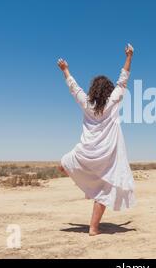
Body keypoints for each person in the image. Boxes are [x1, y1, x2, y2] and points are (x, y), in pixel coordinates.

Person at [57, 45, 135, 236]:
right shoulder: (113, 101)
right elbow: (123, 81)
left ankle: (74, 173)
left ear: (94, 90)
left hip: (87, 151)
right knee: (104, 190)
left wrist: (65, 70)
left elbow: (74, 89)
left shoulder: (87, 103)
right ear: (108, 90)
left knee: (64, 163)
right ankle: (93, 228)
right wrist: (129, 56)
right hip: (107, 154)